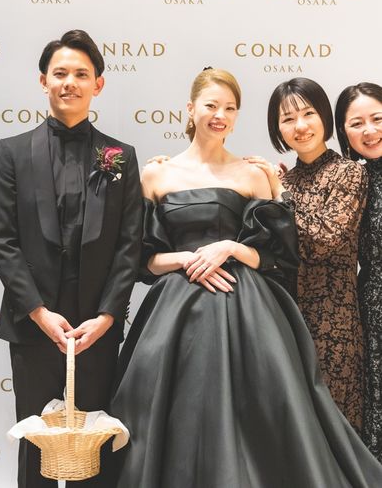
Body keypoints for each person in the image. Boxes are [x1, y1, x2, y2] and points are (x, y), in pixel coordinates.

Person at [110, 67, 382, 487]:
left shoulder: (255, 174)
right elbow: (141, 260)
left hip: (249, 307)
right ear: (190, 109)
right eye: (211, 105)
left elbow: (277, 256)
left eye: (230, 108)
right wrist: (186, 259)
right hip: (174, 313)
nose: (220, 115)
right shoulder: (155, 173)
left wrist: (231, 248)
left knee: (271, 417)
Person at [0, 29, 142, 487]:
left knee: (95, 454)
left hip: (96, 330)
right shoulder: (13, 152)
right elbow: (3, 240)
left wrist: (108, 317)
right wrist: (38, 312)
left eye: (81, 74)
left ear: (98, 84)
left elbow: (129, 245)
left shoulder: (120, 156)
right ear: (43, 81)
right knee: (36, 450)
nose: (69, 82)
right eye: (60, 74)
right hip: (33, 327)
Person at [247, 77, 367, 432]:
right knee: (294, 432)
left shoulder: (349, 173)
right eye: (287, 119)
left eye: (308, 114)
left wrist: (279, 192)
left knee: (335, 429)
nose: (299, 126)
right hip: (285, 319)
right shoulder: (286, 180)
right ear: (277, 128)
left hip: (335, 323)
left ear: (325, 117)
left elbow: (321, 240)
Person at [335, 82, 382, 460]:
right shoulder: (352, 180)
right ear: (344, 132)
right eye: (357, 123)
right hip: (373, 306)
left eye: (378, 119)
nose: (369, 130)